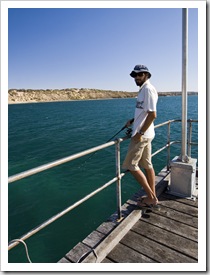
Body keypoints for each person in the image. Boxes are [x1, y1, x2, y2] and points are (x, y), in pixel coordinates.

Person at [122, 64, 158, 208]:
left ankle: (151, 198)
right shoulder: (144, 90)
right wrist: (133, 120)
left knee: (131, 165)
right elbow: (144, 112)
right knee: (147, 165)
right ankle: (152, 196)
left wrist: (140, 133)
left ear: (146, 75)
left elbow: (153, 114)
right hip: (146, 134)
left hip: (142, 136)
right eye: (135, 75)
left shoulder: (148, 89)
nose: (137, 77)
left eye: (140, 74)